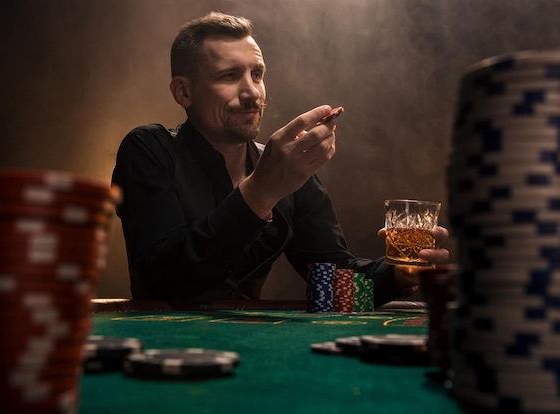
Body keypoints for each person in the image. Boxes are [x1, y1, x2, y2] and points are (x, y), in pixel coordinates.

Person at [111, 11, 450, 305]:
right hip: (162, 352)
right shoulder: (148, 148)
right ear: (183, 91)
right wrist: (261, 191)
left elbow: (334, 282)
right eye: (229, 76)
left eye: (256, 75)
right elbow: (165, 281)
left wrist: (398, 276)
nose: (251, 93)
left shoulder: (285, 169)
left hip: (252, 354)